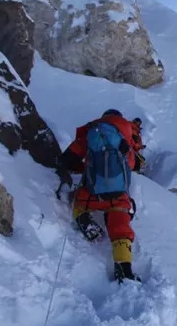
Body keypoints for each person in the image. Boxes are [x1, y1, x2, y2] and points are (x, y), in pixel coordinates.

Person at [57, 109, 145, 282]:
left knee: (77, 200)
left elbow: (67, 159)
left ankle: (81, 216)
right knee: (120, 224)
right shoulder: (125, 137)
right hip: (118, 196)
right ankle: (124, 269)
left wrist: (86, 169)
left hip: (92, 194)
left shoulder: (92, 133)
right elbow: (134, 165)